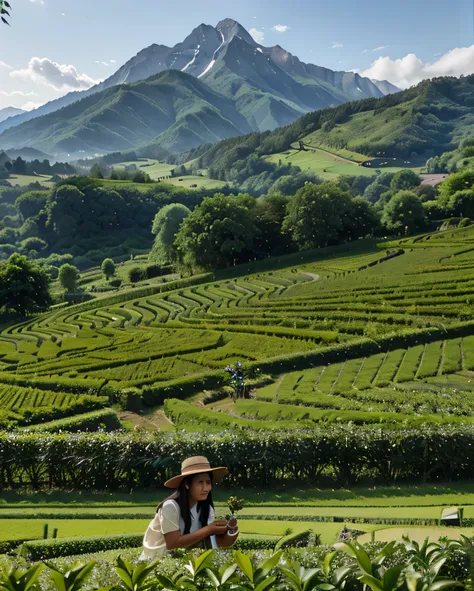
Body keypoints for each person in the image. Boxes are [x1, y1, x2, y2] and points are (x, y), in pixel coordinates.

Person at [140, 456, 239, 560]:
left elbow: (217, 543)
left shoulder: (206, 508)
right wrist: (208, 530)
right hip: (156, 562)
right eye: (200, 482)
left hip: (184, 561)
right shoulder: (171, 507)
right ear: (187, 484)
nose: (206, 488)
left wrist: (231, 531)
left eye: (208, 482)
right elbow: (172, 543)